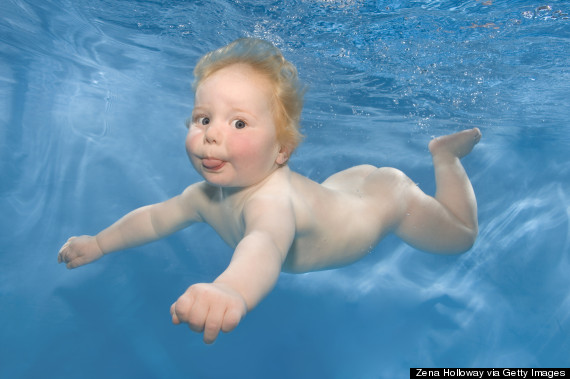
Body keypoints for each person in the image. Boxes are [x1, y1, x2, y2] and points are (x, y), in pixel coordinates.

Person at [58, 38, 481, 344]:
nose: (211, 136)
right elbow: (154, 218)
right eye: (203, 118)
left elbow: (262, 244)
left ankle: (445, 157)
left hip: (385, 201)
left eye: (238, 123)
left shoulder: (270, 203)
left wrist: (231, 290)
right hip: (340, 192)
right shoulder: (204, 197)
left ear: (282, 150)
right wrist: (99, 243)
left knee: (460, 237)